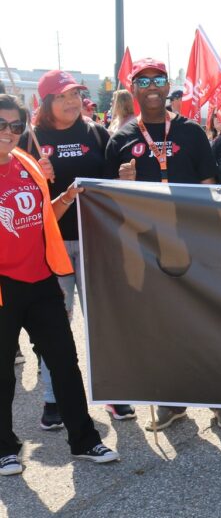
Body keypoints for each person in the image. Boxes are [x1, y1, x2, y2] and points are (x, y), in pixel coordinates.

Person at [105, 58, 221, 431]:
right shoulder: (121, 139)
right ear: (132, 88)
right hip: (146, 248)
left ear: (168, 86)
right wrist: (123, 184)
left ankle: (219, 398)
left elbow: (209, 186)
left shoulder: (191, 132)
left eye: (158, 80)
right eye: (143, 81)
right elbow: (108, 203)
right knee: (160, 327)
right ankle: (171, 401)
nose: (152, 87)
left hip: (191, 241)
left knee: (203, 321)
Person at [0, 94, 120, 476]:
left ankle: (84, 440)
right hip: (3, 288)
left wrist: (65, 198)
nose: (9, 132)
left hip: (41, 280)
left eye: (16, 126)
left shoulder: (28, 163)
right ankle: (4, 449)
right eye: (1, 125)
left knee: (65, 363)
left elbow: (43, 218)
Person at [18, 71, 135, 427]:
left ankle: (114, 393)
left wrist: (124, 177)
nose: (71, 102)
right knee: (54, 326)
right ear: (45, 101)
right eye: (62, 96)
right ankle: (53, 400)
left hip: (95, 240)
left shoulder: (97, 133)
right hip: (49, 245)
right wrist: (34, 175)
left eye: (75, 95)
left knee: (103, 321)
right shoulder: (28, 138)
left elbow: (112, 184)